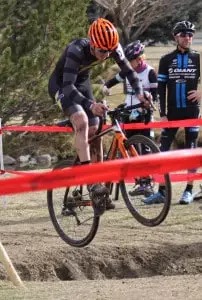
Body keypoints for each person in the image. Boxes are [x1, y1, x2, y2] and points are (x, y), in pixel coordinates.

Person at [48, 18, 148, 209]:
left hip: (83, 84)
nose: (106, 54)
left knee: (96, 132)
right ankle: (90, 181)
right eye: (102, 51)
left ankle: (99, 189)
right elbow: (68, 86)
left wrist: (140, 94)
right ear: (93, 44)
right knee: (82, 121)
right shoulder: (76, 50)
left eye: (110, 51)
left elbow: (130, 73)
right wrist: (90, 104)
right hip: (62, 85)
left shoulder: (111, 46)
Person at [144, 21, 201, 205]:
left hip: (192, 111)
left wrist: (201, 92)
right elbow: (160, 89)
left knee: (191, 151)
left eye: (191, 35)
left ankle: (189, 190)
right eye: (184, 34)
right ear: (176, 37)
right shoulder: (166, 59)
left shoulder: (197, 58)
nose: (188, 38)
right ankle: (162, 191)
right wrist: (163, 113)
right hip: (172, 112)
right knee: (163, 151)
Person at [103, 40, 158, 196]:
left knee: (145, 149)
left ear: (139, 58)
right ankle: (139, 181)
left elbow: (156, 95)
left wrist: (148, 100)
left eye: (130, 61)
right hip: (128, 113)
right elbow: (113, 81)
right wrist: (105, 87)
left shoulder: (150, 72)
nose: (126, 64)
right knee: (130, 148)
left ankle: (147, 183)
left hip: (144, 115)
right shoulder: (127, 72)